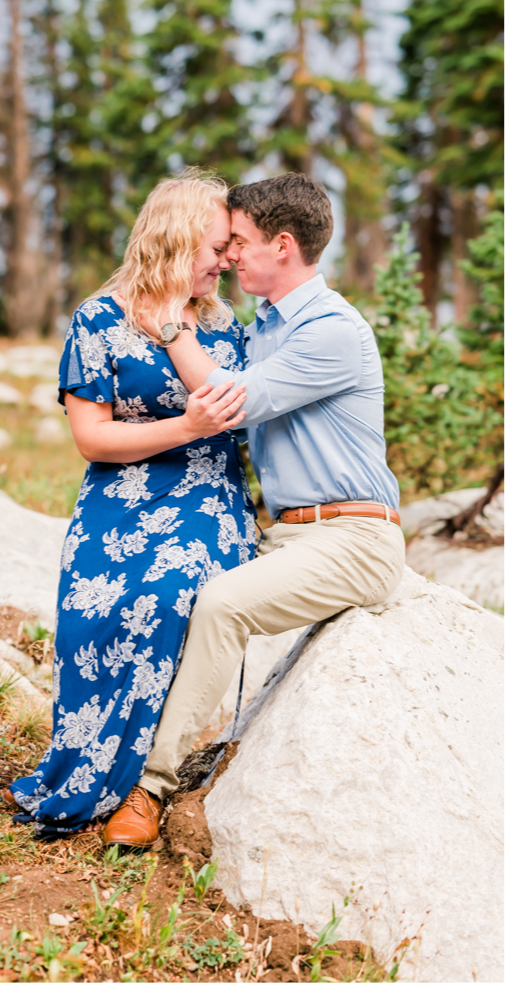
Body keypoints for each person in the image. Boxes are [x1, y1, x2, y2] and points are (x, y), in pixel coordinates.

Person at [100, 172, 405, 848]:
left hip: (353, 538)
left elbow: (226, 405)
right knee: (166, 588)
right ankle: (100, 756)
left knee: (223, 605)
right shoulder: (263, 325)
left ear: (284, 246)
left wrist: (170, 323)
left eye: (237, 241)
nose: (227, 254)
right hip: (289, 534)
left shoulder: (331, 332)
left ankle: (149, 786)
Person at [6, 170, 259, 838]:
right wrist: (185, 426)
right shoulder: (98, 319)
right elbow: (92, 437)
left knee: (168, 594)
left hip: (206, 493)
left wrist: (198, 429)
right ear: (178, 242)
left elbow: (236, 418)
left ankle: (144, 784)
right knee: (91, 616)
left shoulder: (221, 324)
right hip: (118, 494)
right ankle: (85, 774)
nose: (228, 259)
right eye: (217, 246)